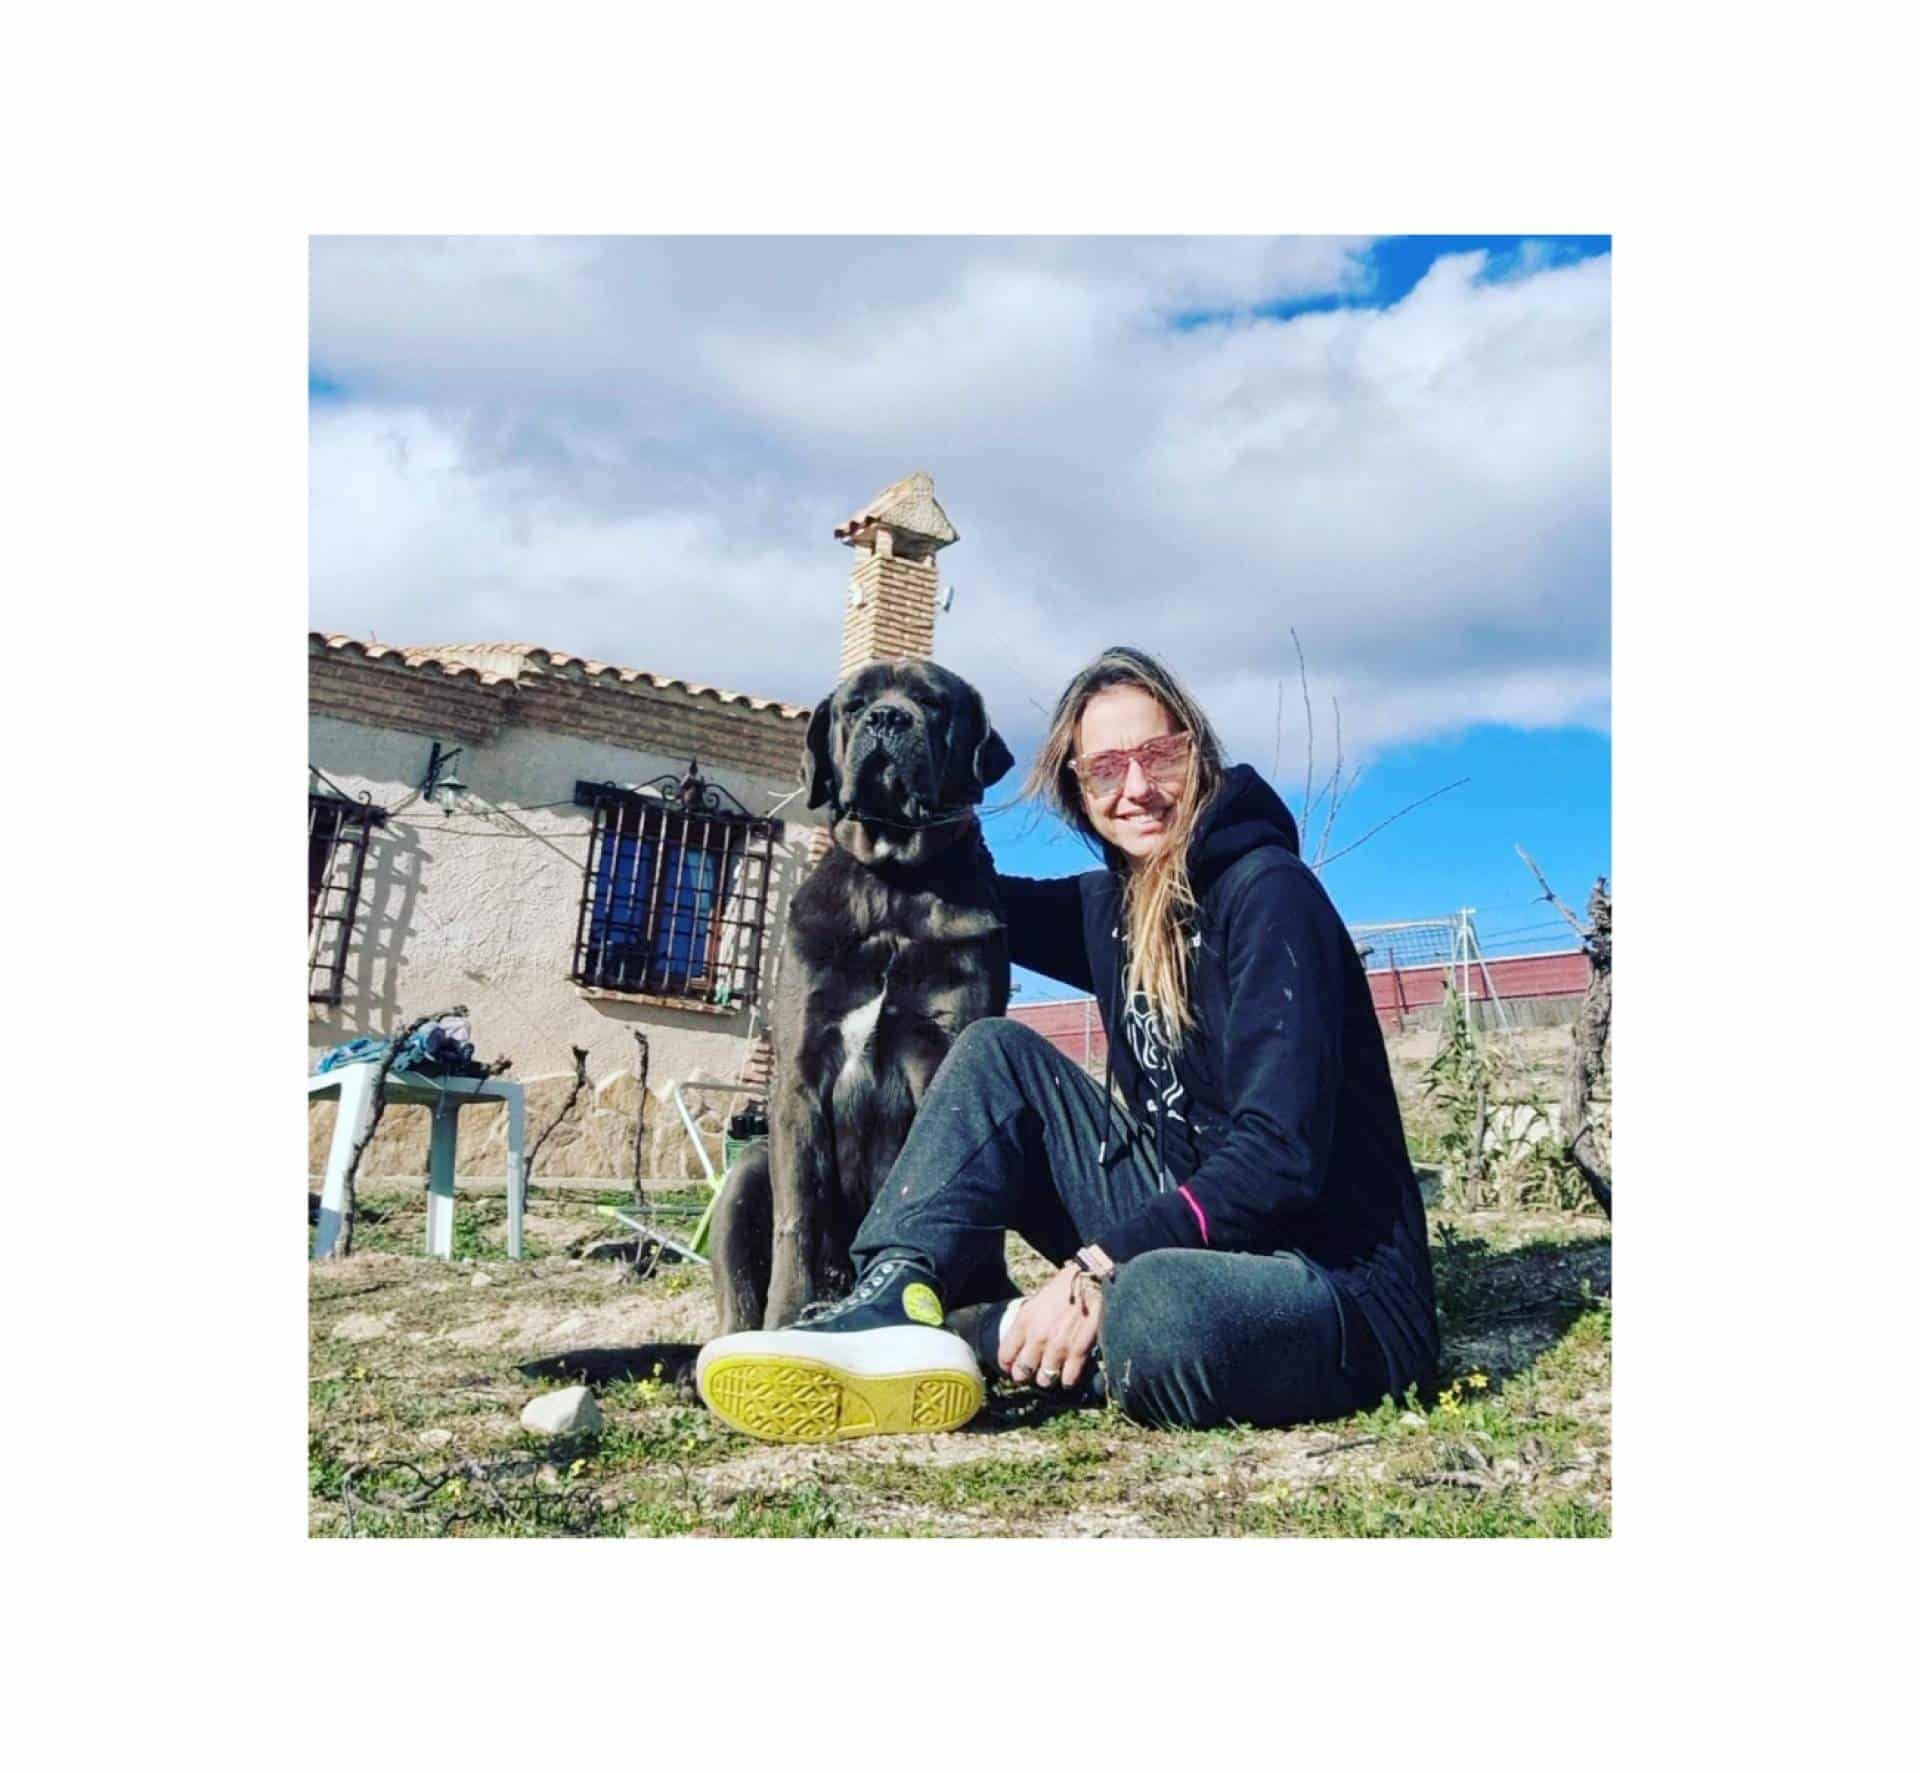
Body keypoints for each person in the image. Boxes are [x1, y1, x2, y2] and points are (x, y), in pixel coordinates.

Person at [695, 646, 1440, 1441]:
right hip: (1198, 1231)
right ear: (1079, 792)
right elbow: (961, 896)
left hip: (1328, 1285)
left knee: (1154, 1309)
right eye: (1105, 768)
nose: (1136, 788)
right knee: (995, 1052)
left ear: (1200, 755)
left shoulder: (1268, 894)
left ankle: (991, 1332)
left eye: (1159, 755)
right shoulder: (1110, 910)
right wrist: (885, 825)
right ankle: (891, 1300)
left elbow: (1278, 1157)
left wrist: (1098, 1262)